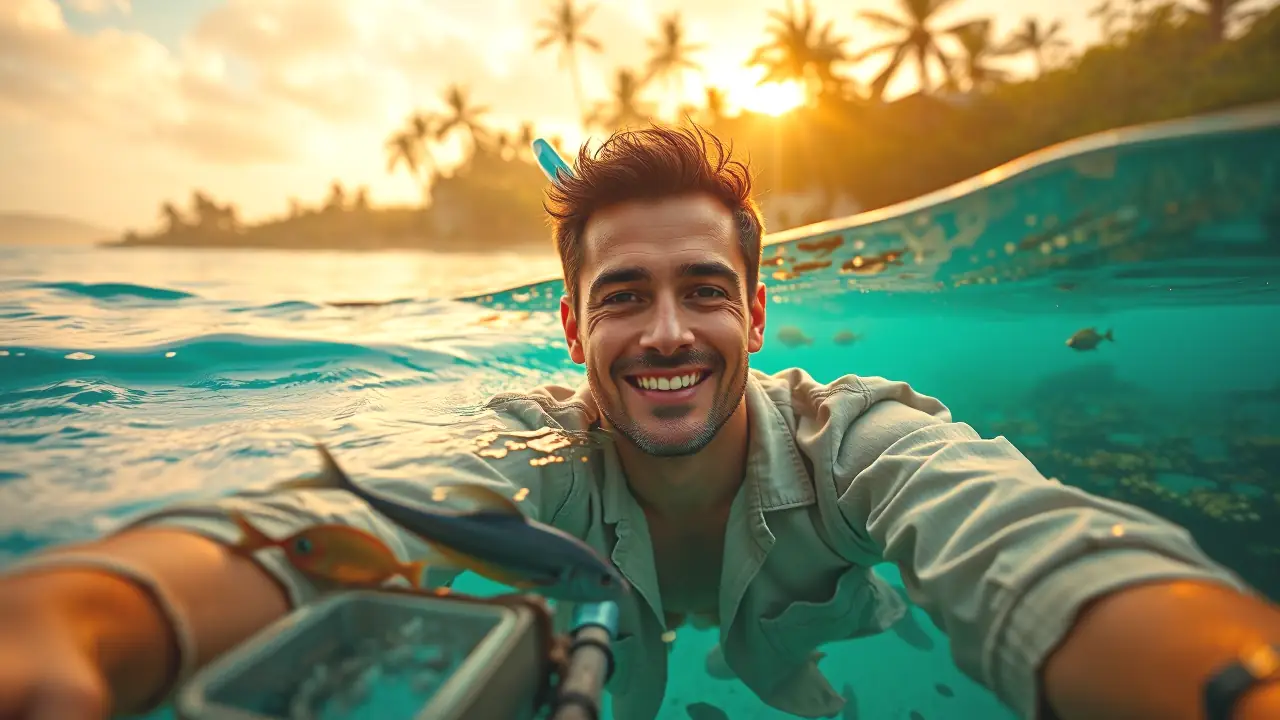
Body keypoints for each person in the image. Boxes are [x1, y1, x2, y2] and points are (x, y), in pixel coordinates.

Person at [1, 125, 1277, 720]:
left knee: (782, 677)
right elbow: (330, 522)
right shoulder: (525, 443)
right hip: (614, 620)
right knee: (640, 680)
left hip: (797, 607)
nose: (666, 332)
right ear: (571, 331)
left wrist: (1226, 678)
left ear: (758, 317)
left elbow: (1032, 548)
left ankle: (775, 670)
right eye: (623, 297)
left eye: (702, 291)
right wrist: (82, 614)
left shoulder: (859, 436)